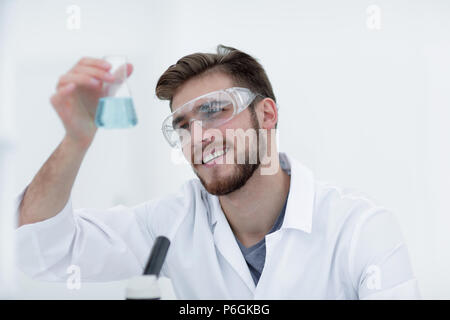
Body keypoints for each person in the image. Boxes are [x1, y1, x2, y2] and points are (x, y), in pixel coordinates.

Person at [15, 45, 420, 299]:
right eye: (183, 125)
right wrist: (76, 140)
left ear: (267, 114)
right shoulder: (169, 224)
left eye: (214, 110)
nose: (198, 136)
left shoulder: (360, 229)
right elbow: (45, 250)